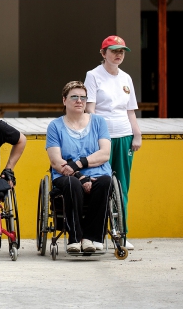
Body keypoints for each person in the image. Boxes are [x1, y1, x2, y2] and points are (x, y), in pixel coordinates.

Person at [85, 35, 141, 250]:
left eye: (121, 51)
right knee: (101, 183)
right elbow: (90, 109)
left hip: (124, 135)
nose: (118, 54)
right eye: (113, 50)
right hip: (102, 136)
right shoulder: (93, 75)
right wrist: (94, 135)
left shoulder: (126, 77)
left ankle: (121, 232)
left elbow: (130, 111)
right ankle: (96, 233)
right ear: (103, 53)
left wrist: (137, 135)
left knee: (122, 185)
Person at [46, 81, 112, 254]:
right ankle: (74, 238)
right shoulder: (55, 126)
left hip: (98, 174)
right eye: (74, 97)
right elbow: (55, 161)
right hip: (67, 176)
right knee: (72, 184)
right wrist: (79, 175)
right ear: (64, 100)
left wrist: (78, 163)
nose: (79, 101)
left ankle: (92, 237)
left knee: (106, 182)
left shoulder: (98, 122)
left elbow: (105, 154)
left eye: (83, 97)